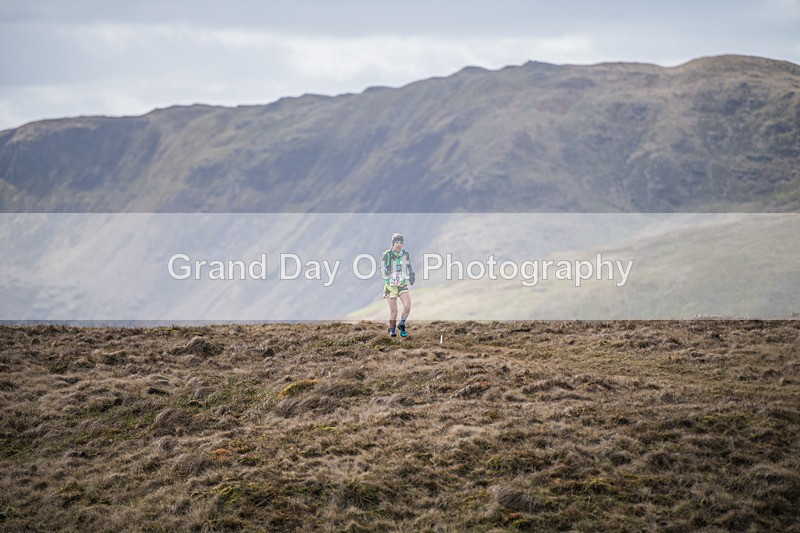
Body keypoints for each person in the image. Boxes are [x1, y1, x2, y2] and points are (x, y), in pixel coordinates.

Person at [382, 233, 415, 337]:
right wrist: (386, 270)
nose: (399, 244)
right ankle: (392, 329)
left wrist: (412, 274)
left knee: (407, 307)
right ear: (393, 243)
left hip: (401, 284)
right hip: (391, 287)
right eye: (397, 242)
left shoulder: (405, 254)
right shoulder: (387, 255)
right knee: (394, 312)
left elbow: (409, 265)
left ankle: (401, 324)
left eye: (401, 242)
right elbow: (381, 269)